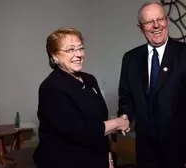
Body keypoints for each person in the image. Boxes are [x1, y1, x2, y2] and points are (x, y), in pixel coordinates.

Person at [118, 2, 186, 168]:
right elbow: (126, 96)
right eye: (149, 22)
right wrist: (124, 116)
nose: (156, 26)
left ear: (167, 21)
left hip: (180, 150)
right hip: (145, 149)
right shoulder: (130, 58)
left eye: (160, 19)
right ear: (140, 27)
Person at [33, 28, 129, 168]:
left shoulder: (90, 80)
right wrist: (118, 123)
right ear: (54, 55)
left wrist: (109, 159)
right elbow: (78, 131)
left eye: (80, 48)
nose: (79, 54)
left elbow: (100, 123)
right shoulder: (51, 87)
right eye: (70, 50)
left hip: (96, 159)